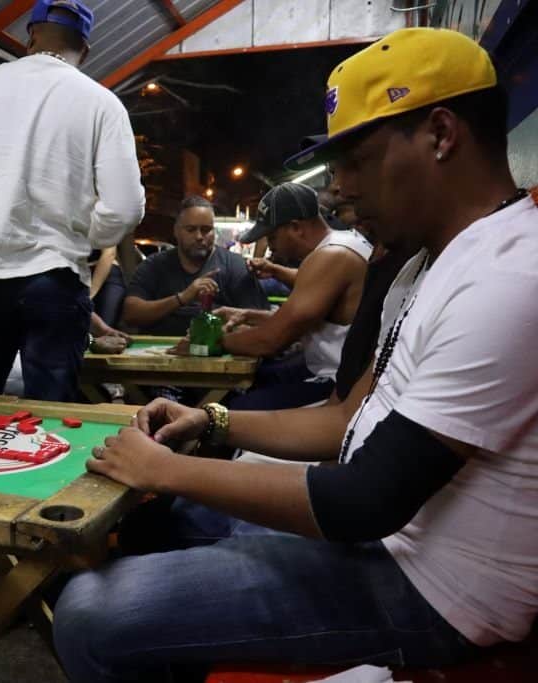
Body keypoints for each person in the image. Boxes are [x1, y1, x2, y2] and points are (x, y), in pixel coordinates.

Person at [53, 28, 538, 682]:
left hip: (434, 589)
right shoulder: (437, 261)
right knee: (173, 525)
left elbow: (365, 499)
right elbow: (347, 421)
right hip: (392, 545)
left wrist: (163, 468)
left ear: (442, 134)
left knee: (90, 608)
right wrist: (213, 421)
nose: (341, 192)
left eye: (356, 161)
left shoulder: (508, 278)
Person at [0, 0, 145, 402]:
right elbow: (125, 208)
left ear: (31, 35)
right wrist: (86, 232)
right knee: (50, 422)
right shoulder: (102, 103)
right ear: (85, 50)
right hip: (56, 280)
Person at [213, 182, 372, 409]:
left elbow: (270, 340)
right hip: (336, 371)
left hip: (338, 384)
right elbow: (301, 318)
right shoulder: (344, 242)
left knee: (232, 410)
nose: (269, 246)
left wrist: (210, 342)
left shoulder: (331, 256)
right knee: (256, 379)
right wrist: (247, 314)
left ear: (296, 227)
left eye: (272, 236)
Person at [122, 196, 268, 336]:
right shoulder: (154, 265)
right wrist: (182, 298)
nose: (199, 236)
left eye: (206, 230)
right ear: (176, 231)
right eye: (191, 229)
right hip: (159, 352)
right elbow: (131, 314)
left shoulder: (235, 266)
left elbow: (257, 323)